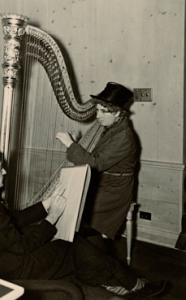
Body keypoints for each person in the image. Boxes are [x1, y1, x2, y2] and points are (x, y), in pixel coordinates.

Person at [0, 146, 166, 298]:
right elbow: (22, 246)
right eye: (0, 168)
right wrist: (53, 217)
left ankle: (115, 283)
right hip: (7, 268)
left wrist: (46, 204)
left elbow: (12, 220)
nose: (4, 171)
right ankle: (131, 285)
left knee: (70, 242)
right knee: (71, 244)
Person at [56, 82, 137, 239]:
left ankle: (85, 246)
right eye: (97, 110)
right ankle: (75, 244)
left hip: (115, 190)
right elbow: (96, 156)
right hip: (102, 182)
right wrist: (76, 145)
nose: (97, 116)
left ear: (118, 113)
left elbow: (96, 163)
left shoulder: (123, 137)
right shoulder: (111, 127)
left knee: (73, 206)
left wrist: (71, 144)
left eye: (103, 112)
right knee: (67, 201)